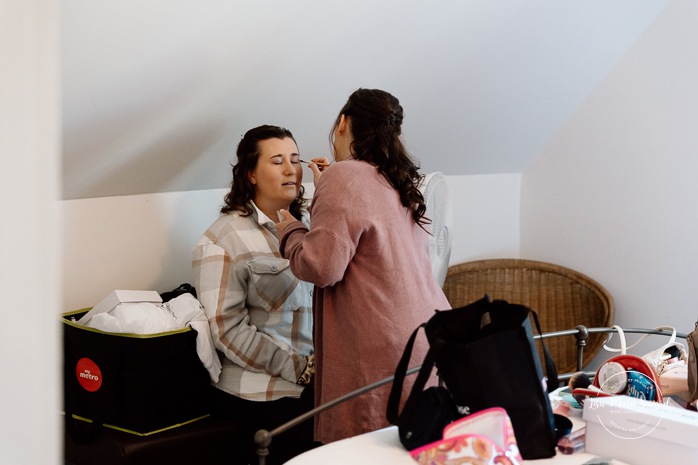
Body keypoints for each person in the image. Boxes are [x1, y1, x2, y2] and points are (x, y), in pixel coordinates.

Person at [276, 88, 452, 444]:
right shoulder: (396, 177)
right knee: (412, 447)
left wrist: (290, 231)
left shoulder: (345, 177)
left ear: (343, 123)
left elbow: (322, 266)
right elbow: (362, 240)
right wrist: (326, 190)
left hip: (381, 347)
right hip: (427, 337)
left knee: (367, 448)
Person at [192, 125, 326, 465]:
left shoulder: (316, 225)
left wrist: (332, 193)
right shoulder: (223, 239)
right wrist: (299, 369)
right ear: (250, 174)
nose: (290, 170)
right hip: (263, 390)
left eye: (296, 160)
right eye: (277, 161)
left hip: (318, 382)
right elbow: (227, 329)